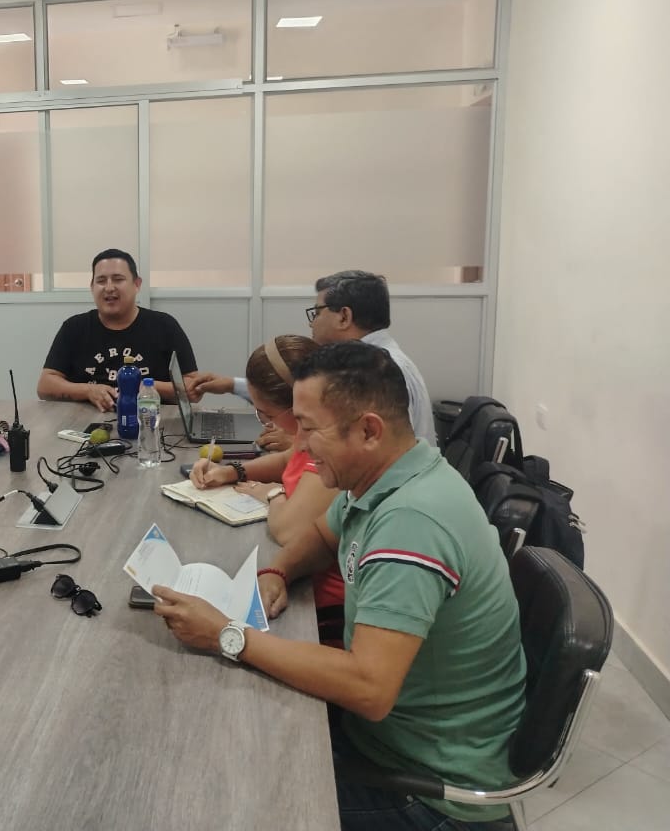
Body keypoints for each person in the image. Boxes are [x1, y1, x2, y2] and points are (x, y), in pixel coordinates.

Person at [153, 342, 525, 831]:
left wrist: (227, 634)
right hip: (386, 739)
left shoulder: (412, 521)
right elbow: (323, 536)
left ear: (368, 430)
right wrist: (278, 571)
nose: (300, 446)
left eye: (310, 429)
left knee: (211, 800)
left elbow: (368, 688)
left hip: (430, 790)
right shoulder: (389, 474)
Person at [187, 336, 344, 644]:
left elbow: (290, 530)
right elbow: (288, 459)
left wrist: (272, 494)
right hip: (297, 578)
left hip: (317, 609)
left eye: (267, 414)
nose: (299, 441)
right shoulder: (313, 431)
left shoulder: (331, 447)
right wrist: (232, 471)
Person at [186, 269, 437, 446]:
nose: (311, 323)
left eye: (316, 313)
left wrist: (298, 444)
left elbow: (376, 459)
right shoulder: (367, 362)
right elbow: (295, 391)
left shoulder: (380, 373)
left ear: (344, 317)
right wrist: (231, 385)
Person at [36, 248, 198, 411]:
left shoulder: (164, 326)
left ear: (137, 284)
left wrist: (146, 387)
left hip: (150, 419)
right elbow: (45, 386)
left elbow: (193, 389)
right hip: (86, 420)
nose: (109, 288)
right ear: (92, 287)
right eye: (101, 281)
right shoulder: (74, 328)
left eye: (118, 279)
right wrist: (88, 390)